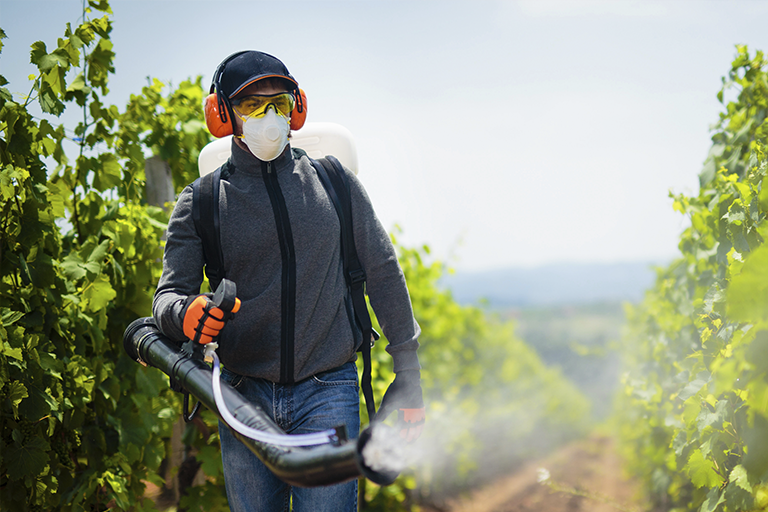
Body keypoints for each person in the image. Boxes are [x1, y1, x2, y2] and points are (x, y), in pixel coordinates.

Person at [152, 50, 425, 512]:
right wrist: (185, 314)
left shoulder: (334, 182)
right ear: (222, 115)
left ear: (295, 108)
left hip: (328, 389)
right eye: (252, 107)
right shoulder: (200, 202)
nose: (269, 118)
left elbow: (383, 271)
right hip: (243, 399)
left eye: (277, 103)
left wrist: (409, 373)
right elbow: (167, 299)